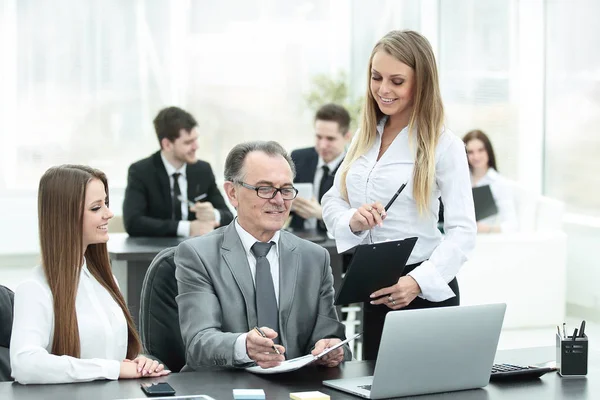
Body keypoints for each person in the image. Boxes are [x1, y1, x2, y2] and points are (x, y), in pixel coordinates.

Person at [321, 30, 477, 360]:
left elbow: (463, 232)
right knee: (375, 386)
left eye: (397, 81)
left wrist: (417, 283)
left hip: (424, 287)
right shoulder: (365, 136)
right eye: (377, 77)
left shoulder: (444, 146)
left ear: (421, 83)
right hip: (375, 287)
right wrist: (354, 219)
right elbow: (332, 199)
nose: (383, 89)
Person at [175, 141, 350, 370]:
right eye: (265, 189)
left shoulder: (315, 258)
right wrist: (244, 347)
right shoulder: (198, 255)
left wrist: (333, 349)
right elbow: (198, 343)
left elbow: (334, 340)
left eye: (286, 189)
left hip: (296, 389)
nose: (279, 200)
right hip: (224, 388)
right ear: (232, 193)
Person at [10, 165, 170, 384]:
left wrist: (137, 363)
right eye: (96, 208)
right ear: (65, 216)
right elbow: (24, 365)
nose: (109, 214)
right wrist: (112, 368)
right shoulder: (34, 288)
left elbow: (111, 356)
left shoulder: (105, 281)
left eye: (106, 203)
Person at [123, 106, 233, 237]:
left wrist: (214, 214)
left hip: (196, 252)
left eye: (195, 139)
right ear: (167, 145)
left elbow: (228, 216)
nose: (196, 146)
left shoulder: (203, 170)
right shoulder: (141, 171)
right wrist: (187, 228)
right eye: (188, 142)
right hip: (154, 253)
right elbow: (133, 222)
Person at [290, 103, 352, 232]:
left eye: (330, 139)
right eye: (318, 137)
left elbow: (353, 217)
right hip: (297, 237)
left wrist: (323, 214)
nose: (323, 145)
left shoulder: (354, 168)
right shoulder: (298, 158)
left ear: (347, 137)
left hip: (334, 244)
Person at [463, 129, 518, 233]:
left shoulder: (499, 183)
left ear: (488, 151)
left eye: (481, 150)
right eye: (470, 152)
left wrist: (488, 229)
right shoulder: (460, 179)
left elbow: (512, 225)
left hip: (485, 240)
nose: (476, 156)